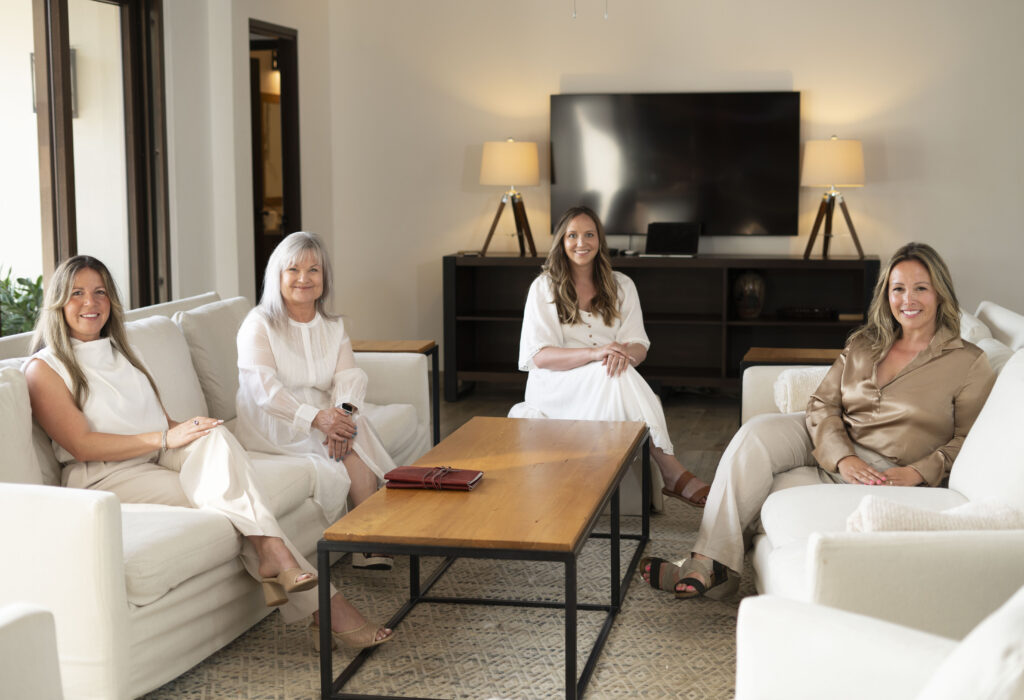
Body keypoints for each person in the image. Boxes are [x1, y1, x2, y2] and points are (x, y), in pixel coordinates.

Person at [24, 255, 391, 650]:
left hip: (151, 460)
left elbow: (162, 421)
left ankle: (282, 565)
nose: (90, 303)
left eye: (100, 292)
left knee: (214, 439)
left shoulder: (121, 352)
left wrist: (189, 431)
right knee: (233, 504)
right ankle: (319, 601)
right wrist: (166, 439)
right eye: (77, 293)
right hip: (104, 477)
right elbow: (81, 444)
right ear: (58, 302)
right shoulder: (45, 368)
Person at [641, 242, 996, 599]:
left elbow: (971, 439)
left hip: (884, 470)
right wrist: (844, 456)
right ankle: (707, 566)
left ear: (940, 292)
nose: (908, 299)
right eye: (898, 288)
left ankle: (708, 570)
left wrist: (919, 472)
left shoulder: (968, 362)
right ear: (886, 294)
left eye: (921, 287)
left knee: (761, 490)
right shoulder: (866, 342)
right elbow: (823, 403)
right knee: (755, 435)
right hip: (831, 440)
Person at [508, 205, 710, 507]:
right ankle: (672, 471)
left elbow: (639, 345)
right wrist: (595, 353)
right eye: (572, 235)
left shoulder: (622, 285)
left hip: (610, 377)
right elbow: (539, 356)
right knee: (611, 370)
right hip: (555, 386)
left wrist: (621, 356)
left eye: (589, 234)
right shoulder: (544, 287)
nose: (581, 243)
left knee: (617, 370)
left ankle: (667, 472)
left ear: (599, 240)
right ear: (561, 242)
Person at [235, 231, 396, 570]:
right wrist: (317, 418)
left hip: (323, 416)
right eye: (293, 270)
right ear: (277, 276)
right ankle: (370, 534)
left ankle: (370, 531)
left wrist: (342, 413)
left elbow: (349, 378)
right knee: (352, 433)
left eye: (314, 270)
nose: (303, 279)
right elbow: (263, 391)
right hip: (274, 422)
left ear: (324, 278)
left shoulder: (332, 327)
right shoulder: (259, 324)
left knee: (355, 423)